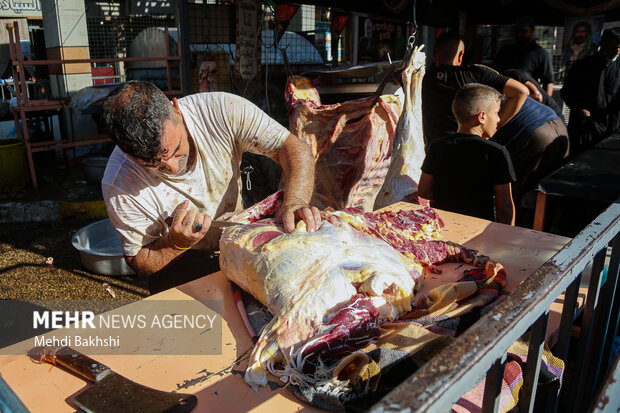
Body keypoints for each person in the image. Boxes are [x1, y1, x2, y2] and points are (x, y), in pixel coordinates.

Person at [101, 81, 326, 293]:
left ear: (177, 110)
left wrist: (295, 201)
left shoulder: (220, 111)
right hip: (179, 261)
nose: (171, 167)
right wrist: (174, 243)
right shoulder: (120, 184)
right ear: (127, 153)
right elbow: (138, 260)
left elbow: (293, 149)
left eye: (176, 148)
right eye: (154, 164)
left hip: (239, 239)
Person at [418, 83, 516, 225]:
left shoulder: (437, 146)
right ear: (482, 116)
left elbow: (424, 190)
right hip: (480, 231)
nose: (498, 119)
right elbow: (505, 208)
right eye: (496, 112)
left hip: (444, 226)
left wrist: (447, 200)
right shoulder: (496, 152)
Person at [422, 32, 529, 147]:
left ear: (433, 56)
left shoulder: (424, 78)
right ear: (460, 56)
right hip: (468, 149)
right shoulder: (475, 74)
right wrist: (494, 126)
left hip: (435, 151)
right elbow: (521, 92)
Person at [492, 97, 569, 207]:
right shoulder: (509, 98)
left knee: (516, 190)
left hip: (537, 135)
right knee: (545, 189)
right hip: (559, 129)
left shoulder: (489, 109)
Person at [561, 27, 620, 158]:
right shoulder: (582, 66)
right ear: (602, 44)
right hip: (584, 129)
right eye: (613, 47)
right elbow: (566, 93)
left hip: (611, 130)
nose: (616, 51)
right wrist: (579, 108)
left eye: (619, 47)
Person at [493, 16, 555, 96]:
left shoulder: (541, 54)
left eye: (524, 31)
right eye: (517, 30)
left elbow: (548, 82)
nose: (519, 34)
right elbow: (494, 74)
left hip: (528, 98)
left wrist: (546, 105)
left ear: (532, 31)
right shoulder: (505, 51)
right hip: (504, 95)